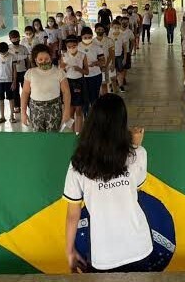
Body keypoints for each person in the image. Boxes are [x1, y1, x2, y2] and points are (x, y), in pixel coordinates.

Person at [64, 93, 150, 273]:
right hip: (140, 247)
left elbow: (73, 214)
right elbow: (135, 187)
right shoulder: (138, 154)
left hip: (104, 254)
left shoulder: (78, 163)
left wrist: (69, 250)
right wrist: (135, 147)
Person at [21, 44, 71, 132]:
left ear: (51, 58)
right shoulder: (30, 73)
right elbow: (25, 92)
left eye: (46, 59)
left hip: (54, 108)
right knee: (38, 136)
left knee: (53, 136)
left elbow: (66, 92)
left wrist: (67, 111)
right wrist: (23, 112)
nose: (44, 61)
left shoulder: (59, 72)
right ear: (35, 60)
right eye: (40, 59)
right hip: (35, 109)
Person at [62, 35, 88, 132]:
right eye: (69, 47)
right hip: (68, 83)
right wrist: (63, 68)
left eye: (74, 46)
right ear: (66, 46)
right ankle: (72, 132)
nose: (72, 48)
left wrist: (79, 69)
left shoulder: (82, 55)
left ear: (77, 45)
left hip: (80, 82)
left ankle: (79, 132)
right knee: (70, 110)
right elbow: (61, 72)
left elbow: (87, 72)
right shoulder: (64, 56)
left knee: (79, 110)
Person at [77, 29, 105, 115]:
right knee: (84, 98)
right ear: (81, 37)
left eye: (89, 37)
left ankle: (94, 116)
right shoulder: (77, 47)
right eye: (85, 37)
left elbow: (103, 61)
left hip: (95, 75)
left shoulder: (97, 47)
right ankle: (86, 116)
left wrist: (96, 63)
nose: (87, 39)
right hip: (82, 76)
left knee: (94, 98)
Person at [0, 42, 17, 125]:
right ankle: (2, 117)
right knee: (0, 99)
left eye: (4, 52)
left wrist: (14, 81)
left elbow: (14, 70)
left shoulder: (12, 56)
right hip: (0, 81)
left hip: (9, 80)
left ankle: (11, 116)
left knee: (11, 98)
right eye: (1, 52)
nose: (3, 54)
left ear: (7, 50)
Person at [9, 30, 30, 113]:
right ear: (10, 39)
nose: (15, 40)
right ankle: (17, 106)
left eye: (17, 38)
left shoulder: (23, 48)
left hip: (23, 71)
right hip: (13, 72)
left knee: (26, 89)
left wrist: (27, 70)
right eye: (13, 38)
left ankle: (29, 105)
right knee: (15, 90)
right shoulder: (8, 48)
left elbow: (28, 60)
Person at [93, 23, 115, 94]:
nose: (100, 31)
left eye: (102, 30)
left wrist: (110, 64)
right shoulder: (92, 42)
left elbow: (111, 54)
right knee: (97, 84)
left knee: (105, 83)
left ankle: (105, 98)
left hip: (106, 65)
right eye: (98, 29)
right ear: (95, 30)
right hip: (96, 66)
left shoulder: (109, 40)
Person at [110, 21, 128, 93]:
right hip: (112, 56)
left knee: (120, 71)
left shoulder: (122, 35)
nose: (116, 29)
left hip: (120, 56)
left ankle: (121, 85)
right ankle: (113, 86)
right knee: (112, 72)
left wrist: (125, 58)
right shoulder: (110, 35)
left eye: (118, 27)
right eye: (115, 27)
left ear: (120, 27)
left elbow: (125, 47)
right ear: (112, 27)